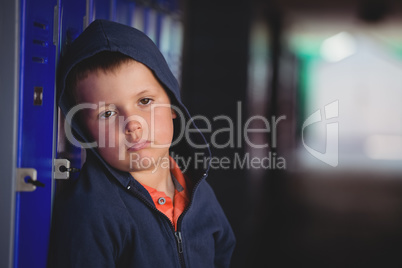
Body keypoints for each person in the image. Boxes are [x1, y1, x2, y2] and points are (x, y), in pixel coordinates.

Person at [48, 19, 235, 267]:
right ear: (85, 132)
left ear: (173, 106)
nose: (133, 124)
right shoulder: (90, 213)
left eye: (145, 101)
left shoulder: (198, 189)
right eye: (107, 114)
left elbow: (223, 253)